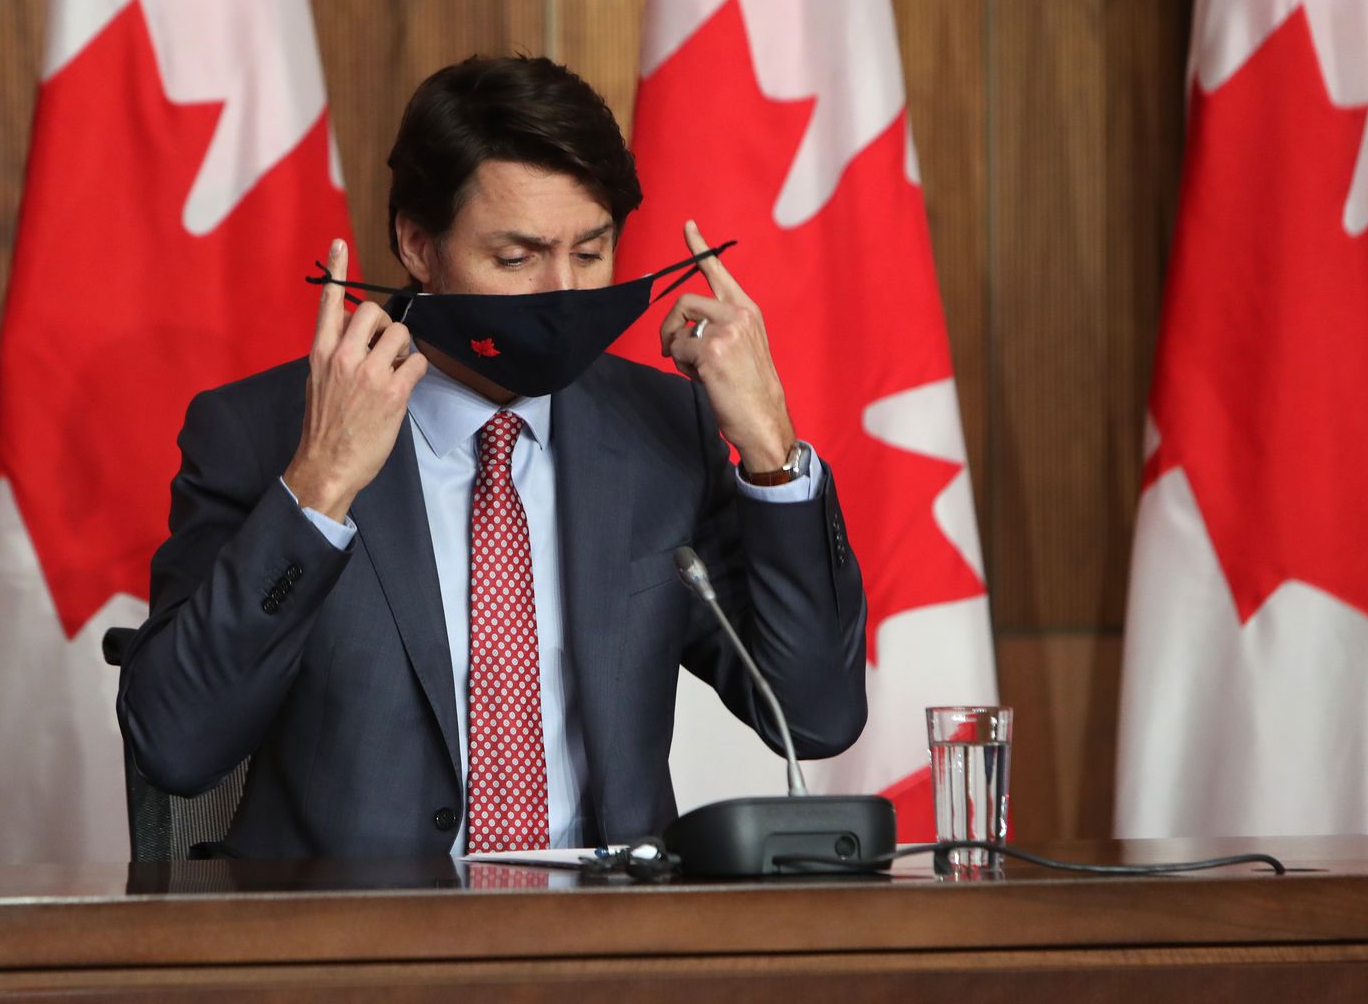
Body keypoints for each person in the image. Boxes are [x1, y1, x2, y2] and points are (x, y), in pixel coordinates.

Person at [117, 55, 866, 859]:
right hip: (351, 929)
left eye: (591, 252)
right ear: (418, 243)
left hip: (610, 928)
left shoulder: (661, 429)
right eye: (516, 259)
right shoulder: (260, 432)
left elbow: (816, 717)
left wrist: (770, 450)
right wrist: (320, 485)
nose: (563, 292)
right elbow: (176, 745)